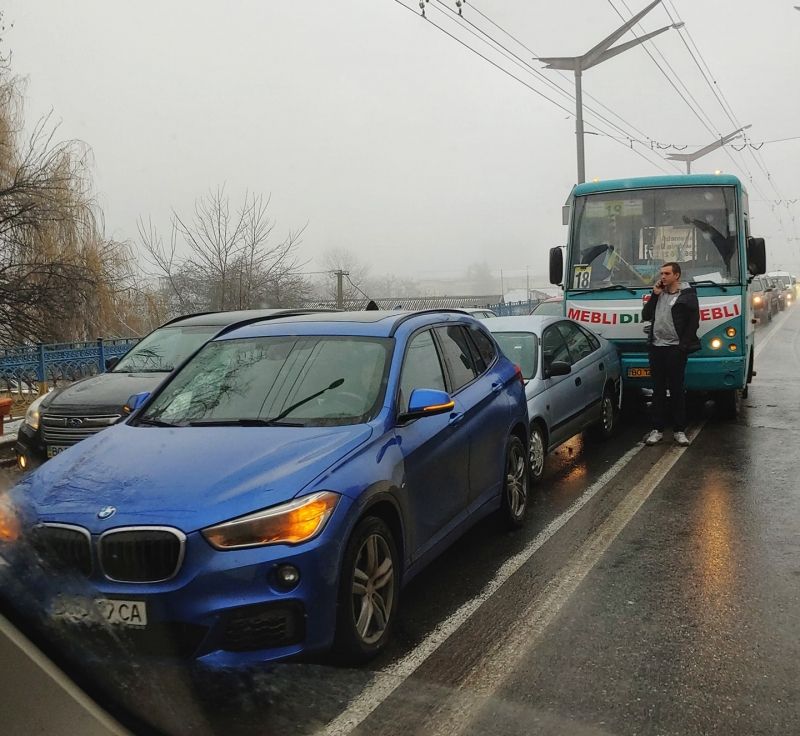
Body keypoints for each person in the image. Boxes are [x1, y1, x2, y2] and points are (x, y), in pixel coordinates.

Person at [641, 261, 700, 446]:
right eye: (661, 274)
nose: (663, 277)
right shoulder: (658, 294)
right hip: (656, 348)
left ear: (677, 275)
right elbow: (645, 315)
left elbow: (693, 323)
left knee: (676, 390)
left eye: (667, 273)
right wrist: (654, 295)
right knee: (657, 390)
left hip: (675, 349)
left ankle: (679, 430)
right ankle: (657, 430)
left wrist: (683, 346)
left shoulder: (687, 295)